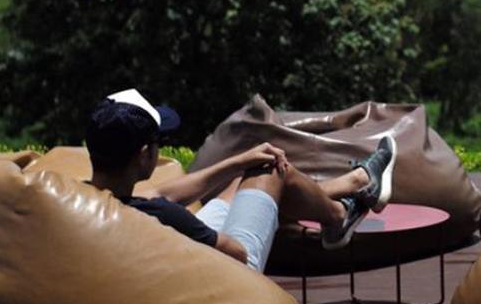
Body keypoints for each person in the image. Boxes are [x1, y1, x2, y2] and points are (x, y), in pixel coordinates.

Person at [84, 88, 397, 268]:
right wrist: (189, 226)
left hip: (189, 258)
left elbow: (160, 194)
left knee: (245, 182)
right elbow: (236, 253)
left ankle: (355, 183)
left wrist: (238, 162)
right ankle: (340, 214)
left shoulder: (91, 200)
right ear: (143, 155)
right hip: (230, 274)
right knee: (270, 172)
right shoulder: (163, 217)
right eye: (158, 143)